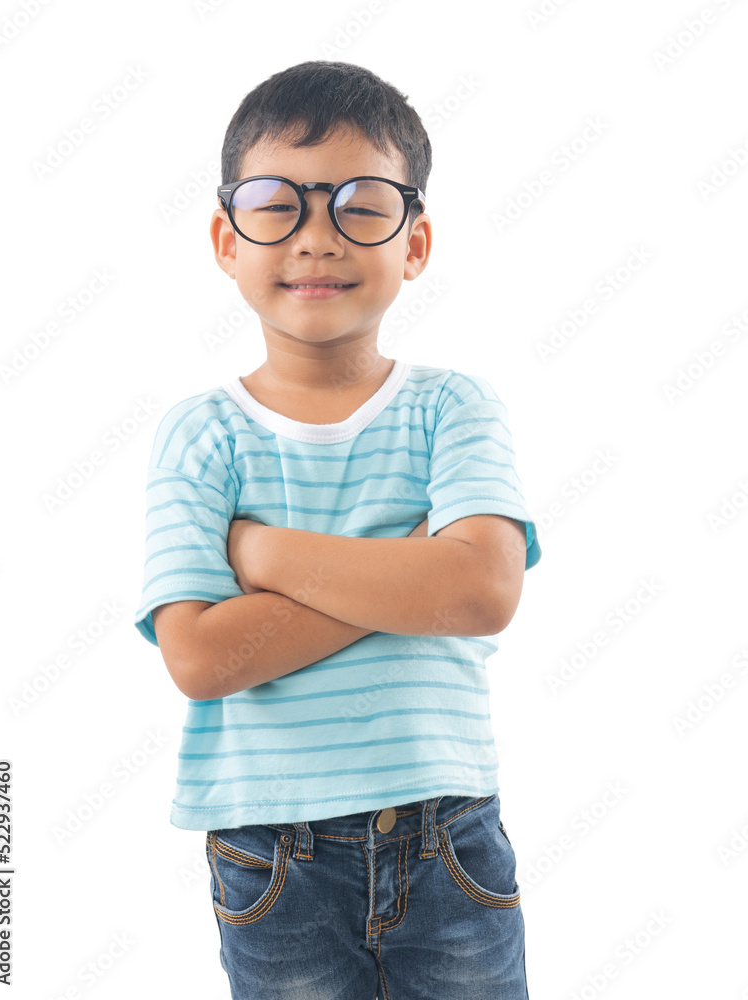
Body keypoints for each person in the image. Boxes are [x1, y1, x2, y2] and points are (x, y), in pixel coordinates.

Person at [134, 59, 542, 1000]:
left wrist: (263, 554)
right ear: (226, 239)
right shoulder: (203, 432)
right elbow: (199, 657)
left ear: (415, 240)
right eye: (277, 204)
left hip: (449, 835)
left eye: (361, 204)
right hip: (269, 854)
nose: (317, 237)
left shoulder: (454, 407)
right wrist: (414, 574)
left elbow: (480, 593)